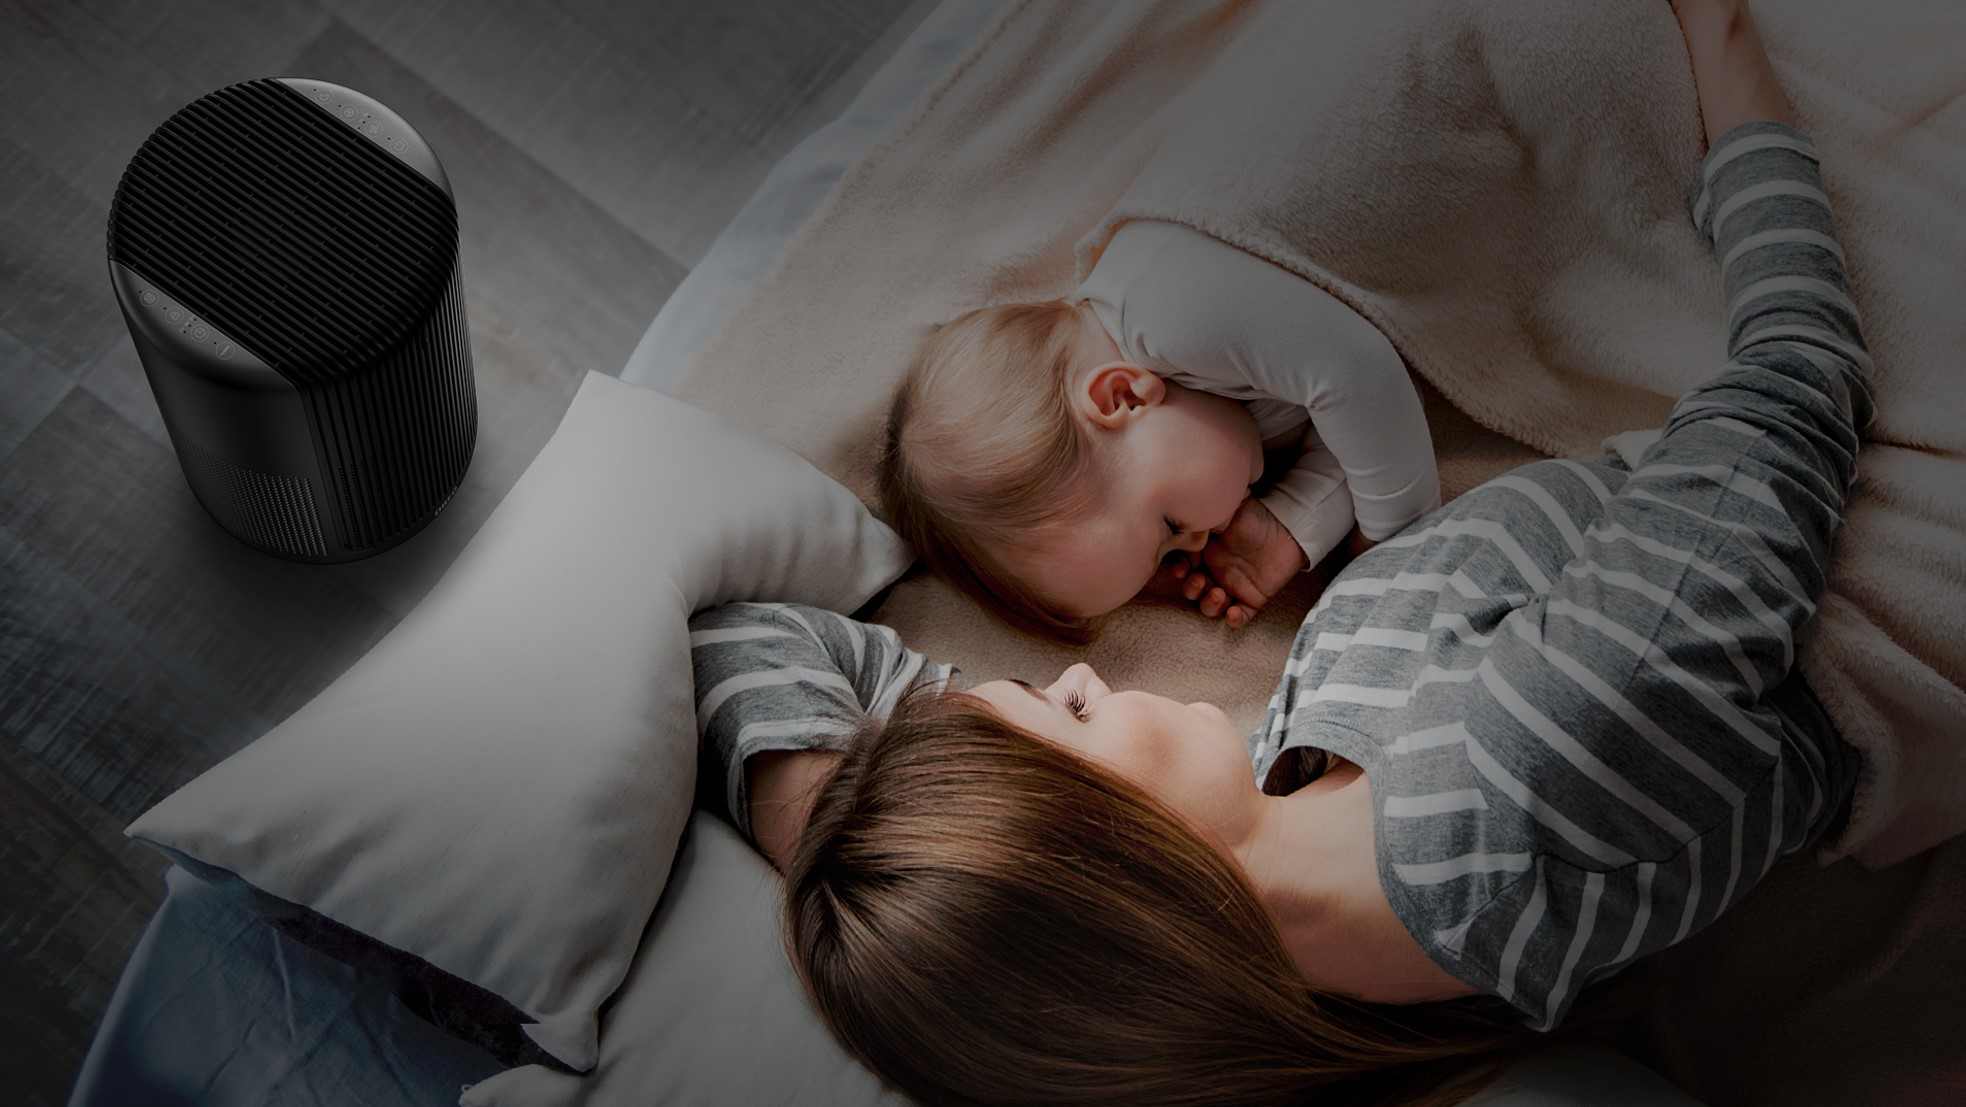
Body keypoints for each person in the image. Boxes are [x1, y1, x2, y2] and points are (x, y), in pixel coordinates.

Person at [691, 1, 1870, 1103]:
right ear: (1114, 865)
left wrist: (904, 868)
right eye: (1075, 713)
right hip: (1821, 509)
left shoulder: (1273, 886)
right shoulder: (1539, 760)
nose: (1090, 673)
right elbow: (1797, 379)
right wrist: (1726, 50)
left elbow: (739, 647)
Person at [879, 155, 1441, 643]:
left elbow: (1361, 375)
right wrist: (1293, 522)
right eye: (1174, 554)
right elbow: (1375, 423)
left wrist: (1392, 546)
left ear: (1121, 396)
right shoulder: (1209, 412)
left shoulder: (1167, 308)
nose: (1201, 539)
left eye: (1169, 526)